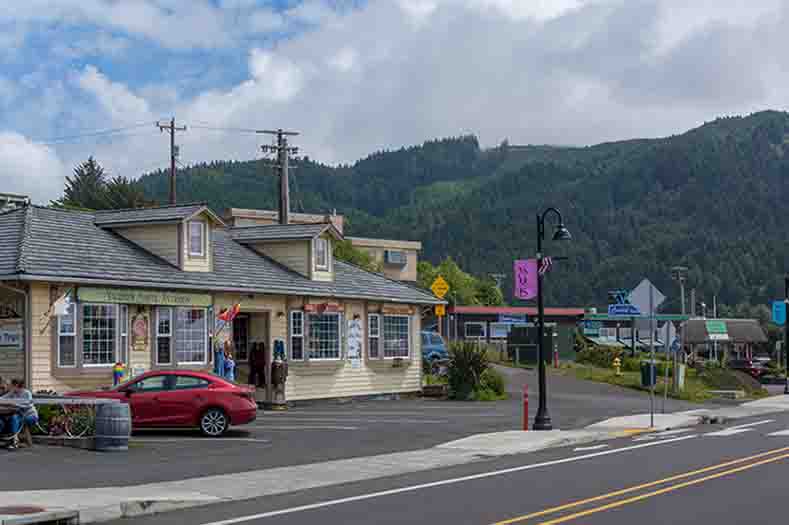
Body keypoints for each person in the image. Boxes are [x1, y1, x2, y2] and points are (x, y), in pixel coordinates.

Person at [0, 378, 38, 449]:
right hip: (20, 415)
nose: (10, 387)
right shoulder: (12, 393)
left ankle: (15, 441)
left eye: (11, 386)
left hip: (31, 415)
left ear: (16, 385)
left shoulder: (26, 393)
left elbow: (28, 404)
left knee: (16, 420)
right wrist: (8, 404)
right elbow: (2, 399)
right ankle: (15, 440)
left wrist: (14, 405)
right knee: (13, 418)